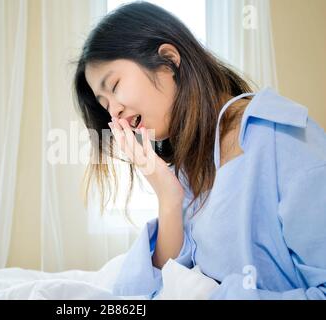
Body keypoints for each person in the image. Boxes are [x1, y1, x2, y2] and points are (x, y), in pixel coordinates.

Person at [72, 1, 326, 299]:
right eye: (104, 105)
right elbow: (140, 294)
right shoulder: (189, 165)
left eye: (114, 87)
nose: (113, 112)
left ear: (168, 60)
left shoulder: (282, 138)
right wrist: (168, 197)